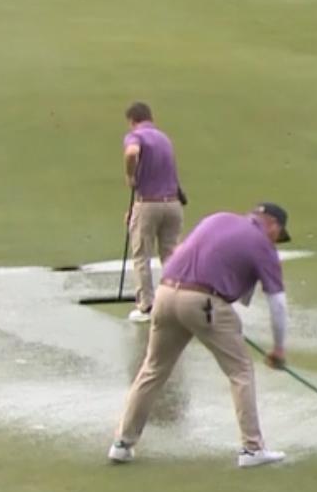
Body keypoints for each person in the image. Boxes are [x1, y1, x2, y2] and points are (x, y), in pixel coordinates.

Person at [109, 203, 295, 468]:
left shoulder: (218, 219)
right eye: (279, 235)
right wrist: (278, 348)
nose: (277, 241)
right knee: (240, 370)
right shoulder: (263, 244)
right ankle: (252, 449)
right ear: (273, 225)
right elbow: (276, 301)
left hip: (165, 294)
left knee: (153, 370)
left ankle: (122, 443)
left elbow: (184, 254)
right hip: (203, 302)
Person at [121, 102, 184, 322]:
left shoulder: (137, 136)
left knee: (142, 255)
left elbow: (131, 153)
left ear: (132, 121)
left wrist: (130, 175)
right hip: (173, 205)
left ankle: (146, 306)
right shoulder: (164, 138)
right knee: (171, 256)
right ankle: (176, 303)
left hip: (149, 204)